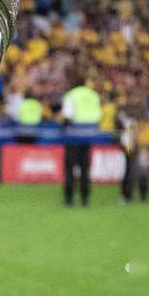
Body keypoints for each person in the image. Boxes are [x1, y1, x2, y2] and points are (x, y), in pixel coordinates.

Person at [60, 76, 100, 207]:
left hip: (73, 134)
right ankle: (85, 198)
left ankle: (69, 199)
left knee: (70, 168)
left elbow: (67, 116)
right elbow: (98, 115)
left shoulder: (71, 95)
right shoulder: (94, 95)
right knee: (84, 169)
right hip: (88, 135)